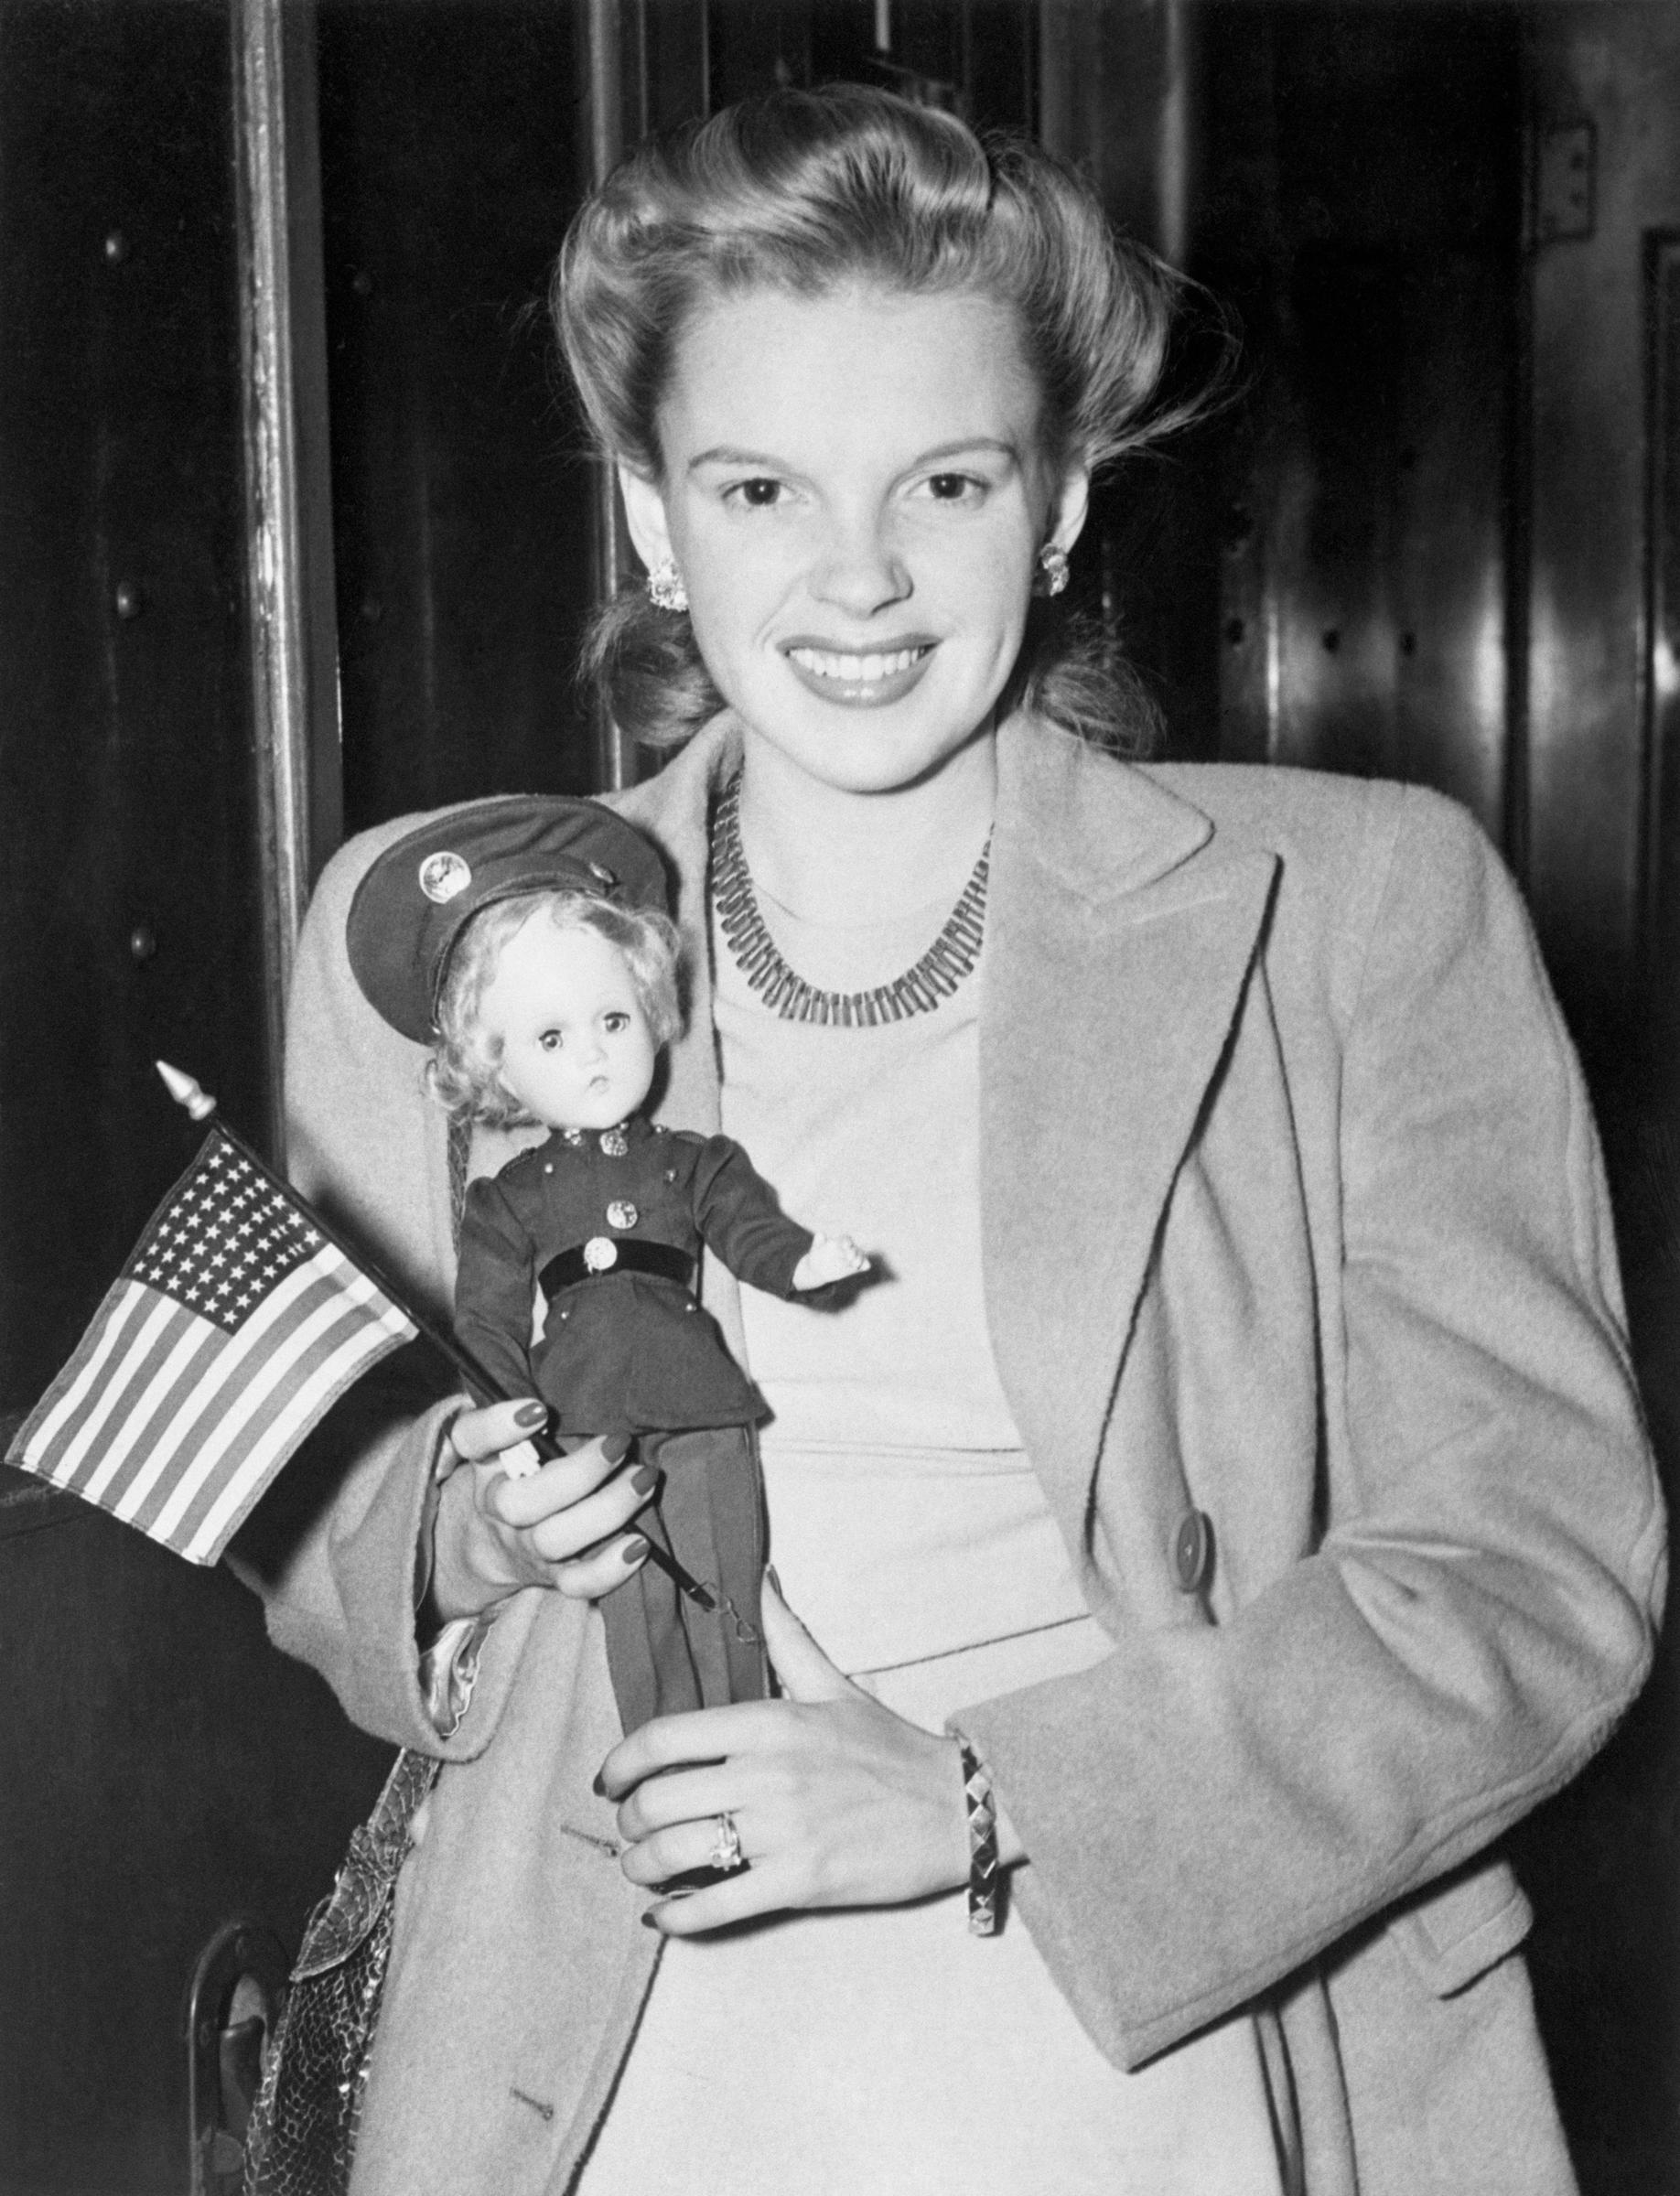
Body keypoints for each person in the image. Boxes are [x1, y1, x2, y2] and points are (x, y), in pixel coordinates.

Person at [242, 84, 1664, 2196]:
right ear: (651, 516)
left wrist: (993, 1795)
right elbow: (325, 1512)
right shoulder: (432, 926)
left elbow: (1535, 1563)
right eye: (757, 487)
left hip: (1157, 2029)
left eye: (946, 480)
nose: (860, 580)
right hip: (603, 2067)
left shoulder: (1355, 905)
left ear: (1062, 497)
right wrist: (462, 1521)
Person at [343, 796, 868, 1732]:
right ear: (497, 1072)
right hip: (584, 1423)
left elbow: (751, 1233)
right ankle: (678, 1774)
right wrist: (507, 1427)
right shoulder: (510, 1201)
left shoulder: (691, 1161)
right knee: (642, 1625)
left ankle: (749, 1761)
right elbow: (488, 1325)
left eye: (612, 1021)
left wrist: (805, 1264)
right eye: (550, 1040)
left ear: (650, 1010)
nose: (591, 1056)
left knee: (731, 1602)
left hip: (702, 1403)